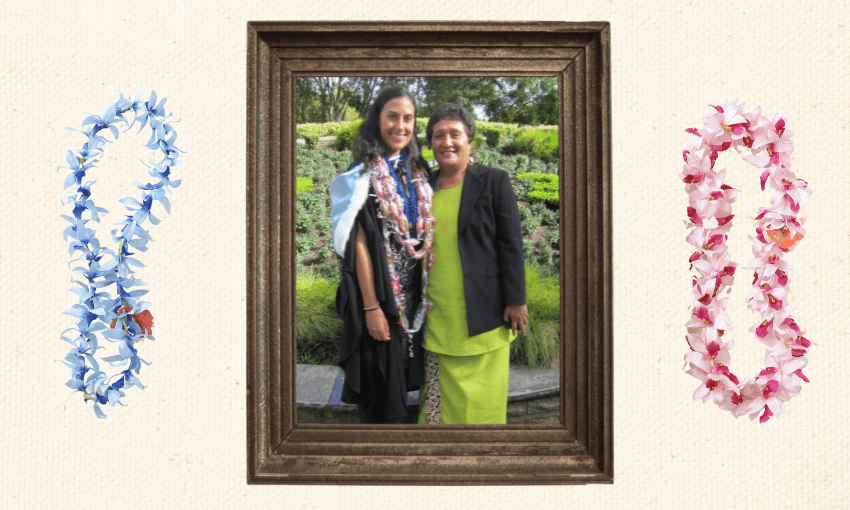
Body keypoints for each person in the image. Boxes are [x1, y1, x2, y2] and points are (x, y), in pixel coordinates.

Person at [330, 85, 436, 424]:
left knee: (410, 384)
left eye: (408, 118)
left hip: (418, 299)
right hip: (381, 297)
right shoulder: (361, 178)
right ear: (378, 121)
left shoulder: (419, 173)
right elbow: (357, 244)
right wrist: (372, 307)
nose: (400, 126)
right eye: (392, 116)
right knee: (382, 396)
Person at [418, 103, 530, 425]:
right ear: (431, 144)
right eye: (439, 135)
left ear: (470, 141)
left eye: (455, 134)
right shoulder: (423, 186)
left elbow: (511, 243)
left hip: (486, 313)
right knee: (439, 408)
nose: (447, 142)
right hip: (439, 314)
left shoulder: (493, 181)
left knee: (483, 405)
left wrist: (516, 300)